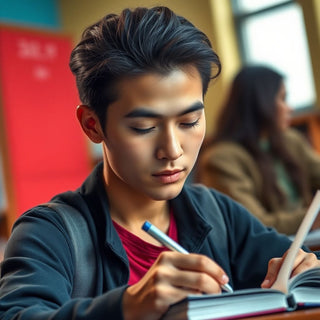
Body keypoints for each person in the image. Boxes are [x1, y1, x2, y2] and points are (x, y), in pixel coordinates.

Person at [0, 7, 319, 320]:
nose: (172, 150)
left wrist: (307, 271)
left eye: (190, 121)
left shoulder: (217, 214)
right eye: (144, 128)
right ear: (93, 125)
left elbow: (294, 266)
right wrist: (126, 307)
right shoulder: (49, 233)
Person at [196, 65, 320, 235]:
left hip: (307, 240)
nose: (289, 108)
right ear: (261, 103)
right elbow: (255, 224)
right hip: (274, 252)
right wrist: (312, 218)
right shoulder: (221, 159)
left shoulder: (290, 140)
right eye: (283, 99)